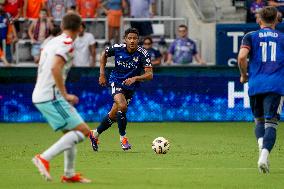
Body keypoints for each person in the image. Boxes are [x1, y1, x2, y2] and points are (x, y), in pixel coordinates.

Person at [31, 13, 91, 183]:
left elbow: (43, 67)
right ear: (80, 28)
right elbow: (55, 68)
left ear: (63, 25)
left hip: (43, 93)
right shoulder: (67, 44)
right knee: (83, 132)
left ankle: (69, 174)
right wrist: (64, 94)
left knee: (70, 133)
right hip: (51, 96)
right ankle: (43, 158)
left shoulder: (52, 41)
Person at [89, 28, 153, 151]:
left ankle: (95, 134)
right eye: (130, 38)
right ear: (125, 40)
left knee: (113, 115)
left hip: (130, 86)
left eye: (134, 38)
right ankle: (123, 139)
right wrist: (102, 74)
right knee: (122, 106)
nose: (132, 41)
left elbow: (150, 74)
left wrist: (135, 78)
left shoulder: (143, 53)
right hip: (116, 81)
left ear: (138, 40)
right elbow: (104, 55)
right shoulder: (118, 48)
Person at [238, 6, 284, 174]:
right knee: (271, 123)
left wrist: (243, 75)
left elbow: (242, 57)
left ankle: (260, 143)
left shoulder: (250, 36)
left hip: (256, 84)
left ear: (259, 20)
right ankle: (264, 156)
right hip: (276, 85)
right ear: (276, 19)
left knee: (259, 121)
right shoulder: (282, 38)